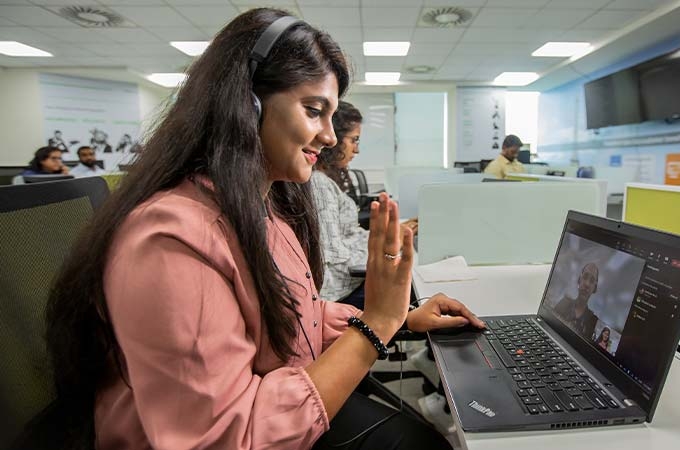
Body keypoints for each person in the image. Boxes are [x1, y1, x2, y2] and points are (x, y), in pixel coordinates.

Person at [43, 9, 483, 450]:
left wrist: (399, 319)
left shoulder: (265, 207)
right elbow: (224, 438)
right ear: (248, 106)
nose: (330, 137)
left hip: (273, 401)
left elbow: (300, 320)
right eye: (314, 111)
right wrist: (377, 324)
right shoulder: (170, 241)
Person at [310, 102, 416, 309]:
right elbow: (334, 262)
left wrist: (388, 235)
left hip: (346, 286)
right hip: (339, 294)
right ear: (335, 138)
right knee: (412, 289)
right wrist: (388, 246)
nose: (356, 149)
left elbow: (346, 238)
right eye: (353, 140)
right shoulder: (319, 185)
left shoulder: (324, 179)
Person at [553, 262, 600, 340]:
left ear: (594, 288)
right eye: (585, 277)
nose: (587, 284)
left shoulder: (592, 321)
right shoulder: (564, 303)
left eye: (592, 281)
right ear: (579, 280)